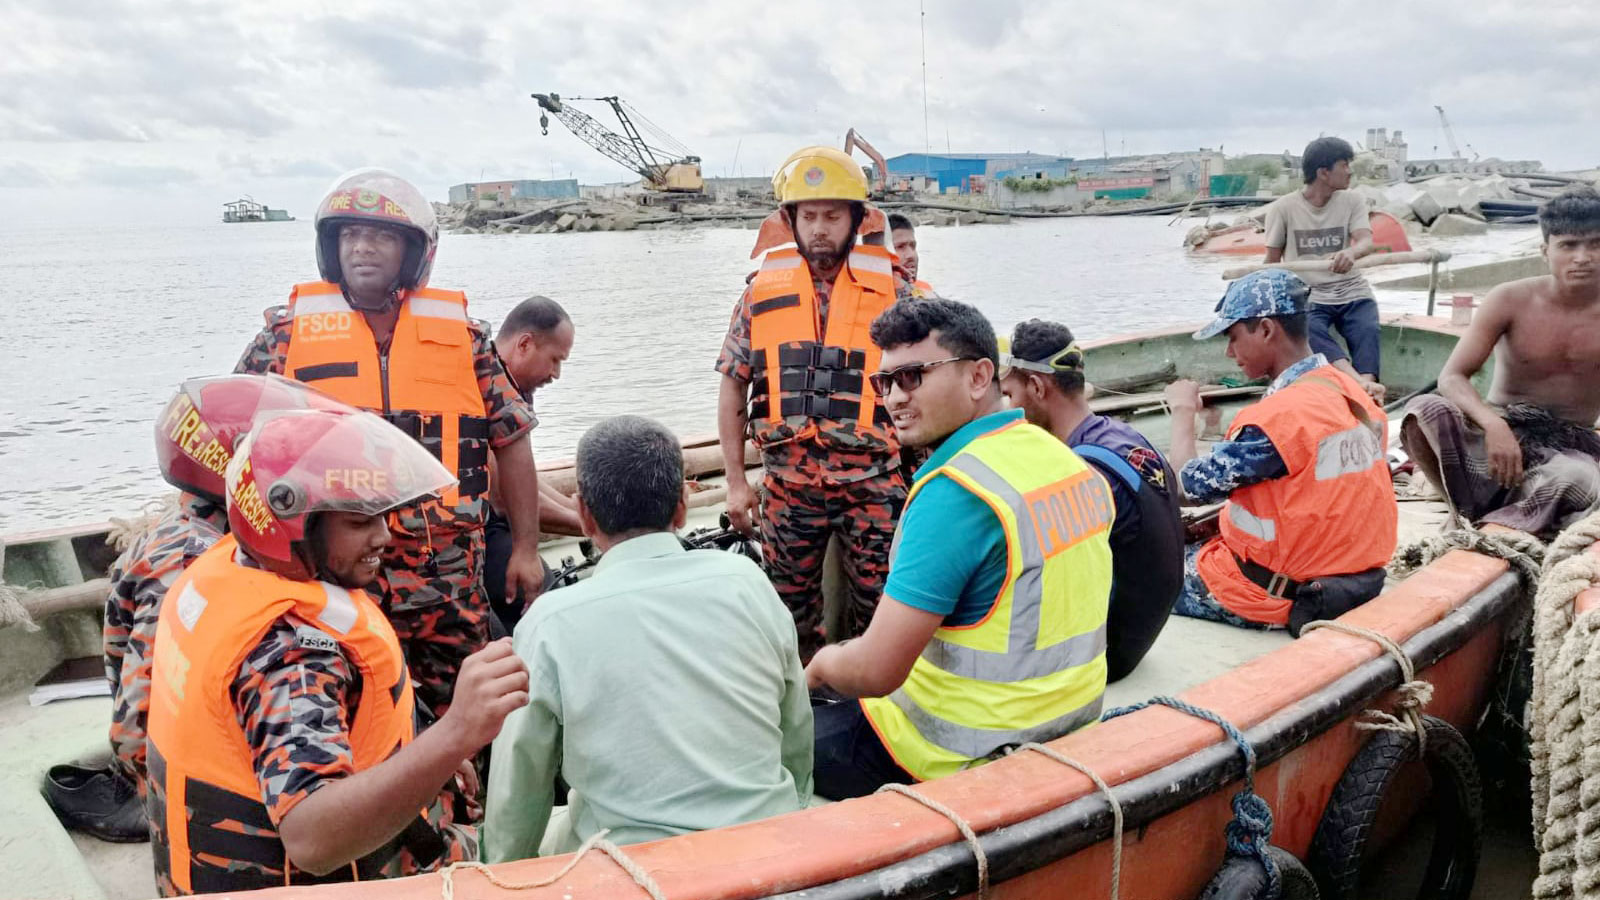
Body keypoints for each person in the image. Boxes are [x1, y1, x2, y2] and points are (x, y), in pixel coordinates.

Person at [144, 409, 529, 895]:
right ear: (290, 524)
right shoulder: (291, 656)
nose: (384, 537)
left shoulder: (233, 569)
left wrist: (423, 750)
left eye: (383, 516)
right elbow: (311, 839)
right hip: (330, 882)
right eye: (358, 522)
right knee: (536, 851)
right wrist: (456, 733)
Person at [234, 168, 543, 720]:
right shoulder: (283, 340)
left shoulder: (466, 341)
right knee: (357, 713)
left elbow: (512, 442)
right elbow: (234, 446)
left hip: (447, 577)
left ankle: (469, 801)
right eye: (349, 235)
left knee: (469, 715)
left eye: (379, 236)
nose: (362, 248)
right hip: (333, 578)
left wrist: (523, 548)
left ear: (413, 250)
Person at [804, 299, 1114, 797]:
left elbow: (877, 671)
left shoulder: (957, 493)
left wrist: (820, 666)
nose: (894, 399)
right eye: (884, 383)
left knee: (776, 742)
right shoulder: (1064, 459)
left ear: (978, 377)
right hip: (1067, 724)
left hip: (954, 754)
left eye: (913, 377)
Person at [484, 415, 811, 860]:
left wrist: (503, 871)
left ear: (583, 514)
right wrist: (798, 810)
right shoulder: (748, 582)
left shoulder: (549, 623)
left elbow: (518, 789)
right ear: (681, 506)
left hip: (634, 869)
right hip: (770, 844)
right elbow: (795, 727)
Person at [46, 375, 345, 843]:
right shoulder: (188, 563)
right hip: (189, 776)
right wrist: (146, 786)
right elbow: (146, 701)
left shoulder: (212, 531)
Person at [716, 146, 910, 660]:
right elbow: (733, 385)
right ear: (790, 221)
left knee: (886, 608)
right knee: (786, 615)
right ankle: (807, 710)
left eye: (832, 215)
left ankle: (879, 712)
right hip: (787, 486)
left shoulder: (896, 290)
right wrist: (736, 483)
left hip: (874, 483)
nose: (820, 227)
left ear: (856, 220)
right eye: (809, 216)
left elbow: (929, 382)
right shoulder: (759, 292)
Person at [1165, 269, 1397, 634]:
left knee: (1143, 569)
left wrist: (1182, 412)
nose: (1230, 352)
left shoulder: (1277, 421)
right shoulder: (1352, 393)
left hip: (1278, 592)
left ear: (1267, 330)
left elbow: (1182, 489)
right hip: (1354, 577)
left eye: (1233, 337)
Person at [1400, 185, 1600, 537]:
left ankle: (1498, 525)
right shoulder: (1509, 299)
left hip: (1571, 446)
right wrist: (1493, 424)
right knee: (1424, 412)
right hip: (1501, 429)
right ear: (1545, 251)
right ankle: (1460, 507)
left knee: (1577, 481)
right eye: (1568, 245)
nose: (1583, 257)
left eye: (1595, 244)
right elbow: (1452, 377)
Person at [998, 319, 1183, 681]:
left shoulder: (1078, 473)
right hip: (1140, 632)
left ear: (1036, 386)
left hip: (1104, 656)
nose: (1009, 406)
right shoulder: (1121, 435)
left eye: (1009, 394)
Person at [1263, 137, 1386, 403]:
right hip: (1310, 293)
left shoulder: (1352, 200)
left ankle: (1367, 387)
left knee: (1367, 328)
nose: (1350, 171)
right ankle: (1357, 384)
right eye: (1344, 165)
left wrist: (1350, 253)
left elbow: (1365, 241)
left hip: (1350, 288)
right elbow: (1271, 262)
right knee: (1309, 330)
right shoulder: (1283, 208)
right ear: (1323, 172)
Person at [484, 295, 580, 633]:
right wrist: (591, 525)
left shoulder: (516, 388)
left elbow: (524, 476)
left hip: (494, 519)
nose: (556, 374)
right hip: (475, 527)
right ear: (525, 344)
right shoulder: (485, 385)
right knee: (547, 599)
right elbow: (504, 495)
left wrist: (573, 507)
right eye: (555, 360)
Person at [887, 212, 936, 297]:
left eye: (913, 246)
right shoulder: (866, 298)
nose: (911, 255)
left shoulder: (926, 291)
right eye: (900, 247)